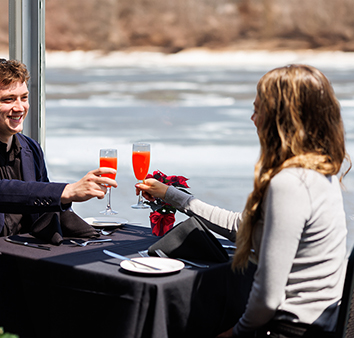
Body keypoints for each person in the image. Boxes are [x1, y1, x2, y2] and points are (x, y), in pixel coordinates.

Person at [136, 64, 351, 337]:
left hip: (289, 329)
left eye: (259, 109)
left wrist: (236, 333)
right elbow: (242, 226)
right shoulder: (320, 171)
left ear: (282, 119)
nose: (252, 118)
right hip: (321, 324)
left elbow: (268, 296)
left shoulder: (291, 183)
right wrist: (171, 195)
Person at [0, 58, 117, 240]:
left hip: (28, 253)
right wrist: (66, 191)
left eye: (23, 98)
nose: (19, 108)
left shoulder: (31, 148)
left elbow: (44, 210)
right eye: (8, 99)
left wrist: (95, 236)